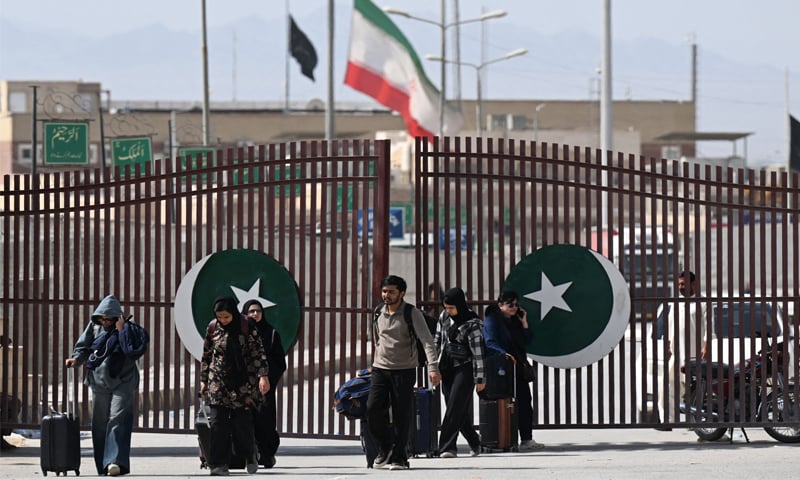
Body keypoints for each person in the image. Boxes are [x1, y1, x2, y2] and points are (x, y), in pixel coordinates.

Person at [64, 295, 149, 476]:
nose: (105, 322)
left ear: (118, 317)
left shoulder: (130, 330)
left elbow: (133, 351)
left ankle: (114, 461)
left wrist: (121, 330)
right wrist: (76, 359)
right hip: (99, 380)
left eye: (109, 318)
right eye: (102, 318)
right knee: (100, 422)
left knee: (118, 419)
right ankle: (102, 462)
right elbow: (83, 347)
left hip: (124, 380)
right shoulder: (94, 327)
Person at [366, 275, 441, 470]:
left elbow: (427, 341)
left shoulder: (411, 313)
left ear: (401, 293)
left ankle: (400, 457)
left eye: (391, 291)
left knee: (401, 415)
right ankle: (386, 446)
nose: (386, 295)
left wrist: (433, 367)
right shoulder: (377, 312)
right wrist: (374, 363)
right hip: (380, 369)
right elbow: (377, 339)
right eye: (384, 291)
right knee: (372, 409)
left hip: (404, 371)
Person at [200, 297, 270, 476]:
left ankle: (249, 454)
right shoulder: (212, 327)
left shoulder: (247, 326)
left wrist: (263, 376)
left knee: (241, 424)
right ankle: (218, 464)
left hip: (242, 384)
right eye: (219, 317)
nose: (223, 321)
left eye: (226, 317)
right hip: (218, 384)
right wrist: (204, 380)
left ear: (234, 313)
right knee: (217, 425)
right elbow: (207, 355)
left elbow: (258, 353)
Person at [483, 291, 544, 451]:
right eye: (510, 304)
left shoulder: (515, 321)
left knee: (524, 402)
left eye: (516, 305)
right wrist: (505, 355)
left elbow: (527, 340)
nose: (514, 308)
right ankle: (503, 438)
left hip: (518, 368)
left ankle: (526, 438)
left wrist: (524, 322)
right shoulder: (492, 320)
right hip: (501, 369)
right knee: (504, 403)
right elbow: (489, 342)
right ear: (500, 305)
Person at [434, 287, 486, 458]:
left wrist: (480, 378)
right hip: (446, 367)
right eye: (446, 308)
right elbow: (437, 340)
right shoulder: (444, 317)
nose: (448, 311)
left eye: (451, 308)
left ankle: (447, 447)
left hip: (465, 368)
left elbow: (478, 353)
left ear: (460, 305)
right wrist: (433, 366)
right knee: (455, 408)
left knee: (455, 407)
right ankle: (475, 441)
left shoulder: (473, 323)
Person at [658, 270, 709, 426]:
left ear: (693, 284)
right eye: (679, 284)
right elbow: (670, 325)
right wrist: (667, 344)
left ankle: (698, 425)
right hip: (677, 354)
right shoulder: (676, 303)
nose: (680, 287)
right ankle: (668, 421)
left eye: (683, 284)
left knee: (696, 391)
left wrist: (706, 346)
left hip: (696, 354)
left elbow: (710, 327)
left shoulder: (703, 302)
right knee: (669, 387)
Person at [241, 299, 287, 469]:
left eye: (258, 311)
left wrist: (266, 377)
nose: (255, 314)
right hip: (244, 386)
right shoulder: (240, 333)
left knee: (265, 421)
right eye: (251, 311)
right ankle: (249, 454)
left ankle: (267, 454)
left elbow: (279, 362)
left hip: (264, 386)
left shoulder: (272, 333)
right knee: (245, 420)